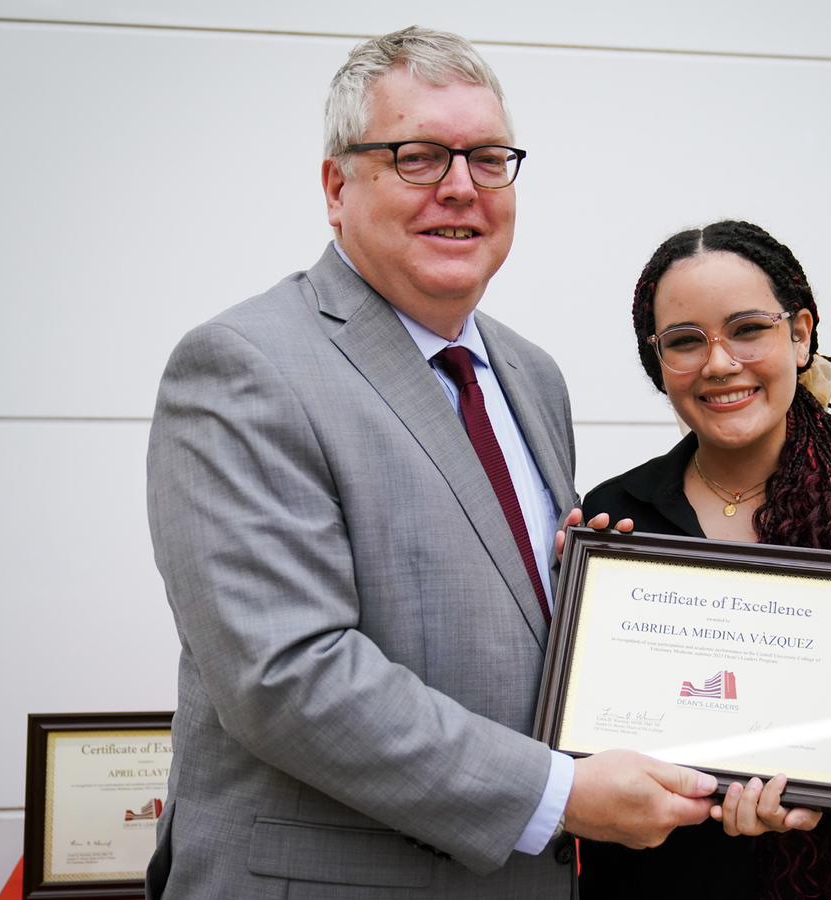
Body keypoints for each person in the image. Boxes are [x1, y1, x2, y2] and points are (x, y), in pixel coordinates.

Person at [144, 27, 718, 900]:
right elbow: (286, 675)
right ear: (338, 186)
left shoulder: (531, 375)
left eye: (488, 158)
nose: (461, 187)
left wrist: (586, 605)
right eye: (418, 157)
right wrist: (561, 795)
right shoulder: (245, 365)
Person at [577, 220, 831, 899]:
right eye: (685, 341)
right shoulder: (616, 514)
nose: (718, 363)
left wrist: (805, 771)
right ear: (659, 365)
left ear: (799, 334)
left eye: (748, 329)